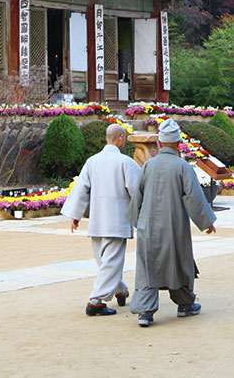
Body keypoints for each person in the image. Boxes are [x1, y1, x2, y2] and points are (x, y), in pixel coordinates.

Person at [129, 118, 217, 327]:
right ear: (178, 144)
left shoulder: (148, 166)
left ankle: (145, 313)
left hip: (148, 227)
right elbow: (194, 197)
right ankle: (185, 304)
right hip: (174, 227)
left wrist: (136, 222)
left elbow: (137, 197)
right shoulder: (182, 167)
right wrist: (206, 222)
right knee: (178, 263)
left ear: (160, 142)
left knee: (147, 267)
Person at [61, 123, 140, 317]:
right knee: (110, 263)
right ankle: (96, 301)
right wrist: (142, 217)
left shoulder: (92, 161)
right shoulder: (126, 163)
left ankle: (120, 290)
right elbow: (137, 192)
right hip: (118, 220)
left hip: (97, 220)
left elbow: (81, 188)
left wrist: (75, 215)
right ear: (121, 138)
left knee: (106, 263)